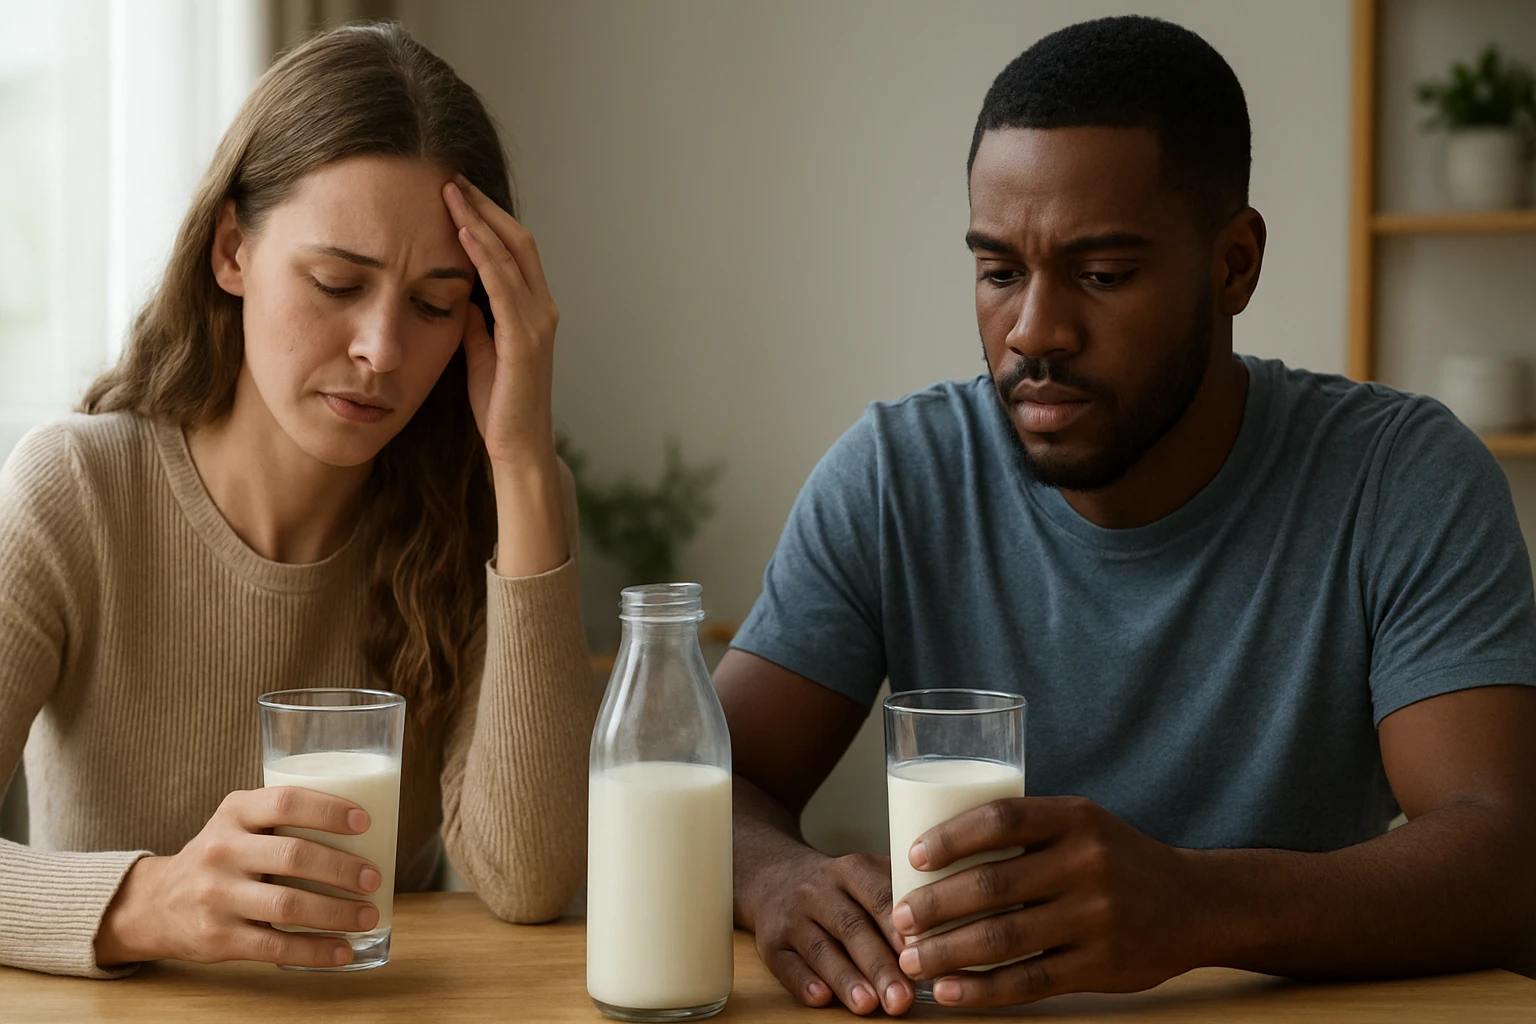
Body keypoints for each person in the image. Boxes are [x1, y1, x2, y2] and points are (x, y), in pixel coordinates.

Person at [717, 15, 1536, 1016]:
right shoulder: (896, 474)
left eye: (1101, 275)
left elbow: (1506, 851)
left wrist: (1196, 903)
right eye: (999, 270)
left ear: (1234, 264)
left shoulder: (1399, 478)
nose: (1034, 331)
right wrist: (773, 878)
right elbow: (712, 780)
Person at [0, 23, 595, 978]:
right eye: (336, 282)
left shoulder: (496, 501)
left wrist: (524, 466)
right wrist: (150, 904)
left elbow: (528, 882)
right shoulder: (77, 492)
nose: (383, 349)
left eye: (437, 304)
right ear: (232, 250)